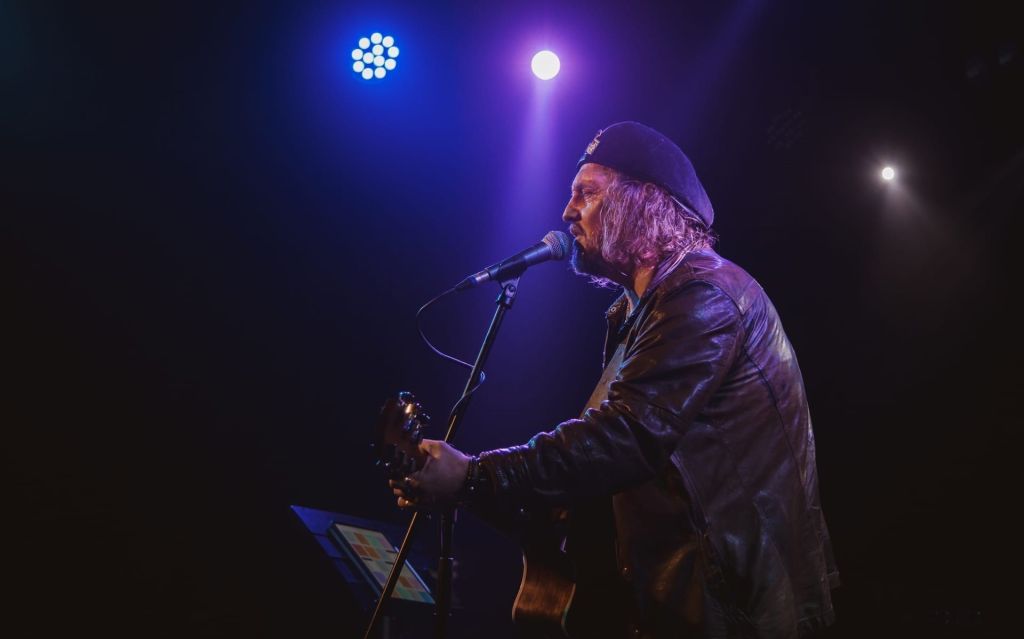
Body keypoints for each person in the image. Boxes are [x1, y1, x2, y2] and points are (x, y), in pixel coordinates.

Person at [390, 121, 839, 638]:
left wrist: (474, 476)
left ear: (644, 202)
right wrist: (464, 486)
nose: (567, 211)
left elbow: (626, 438)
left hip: (729, 609)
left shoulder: (705, 294)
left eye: (587, 193)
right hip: (673, 606)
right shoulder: (637, 311)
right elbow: (598, 483)